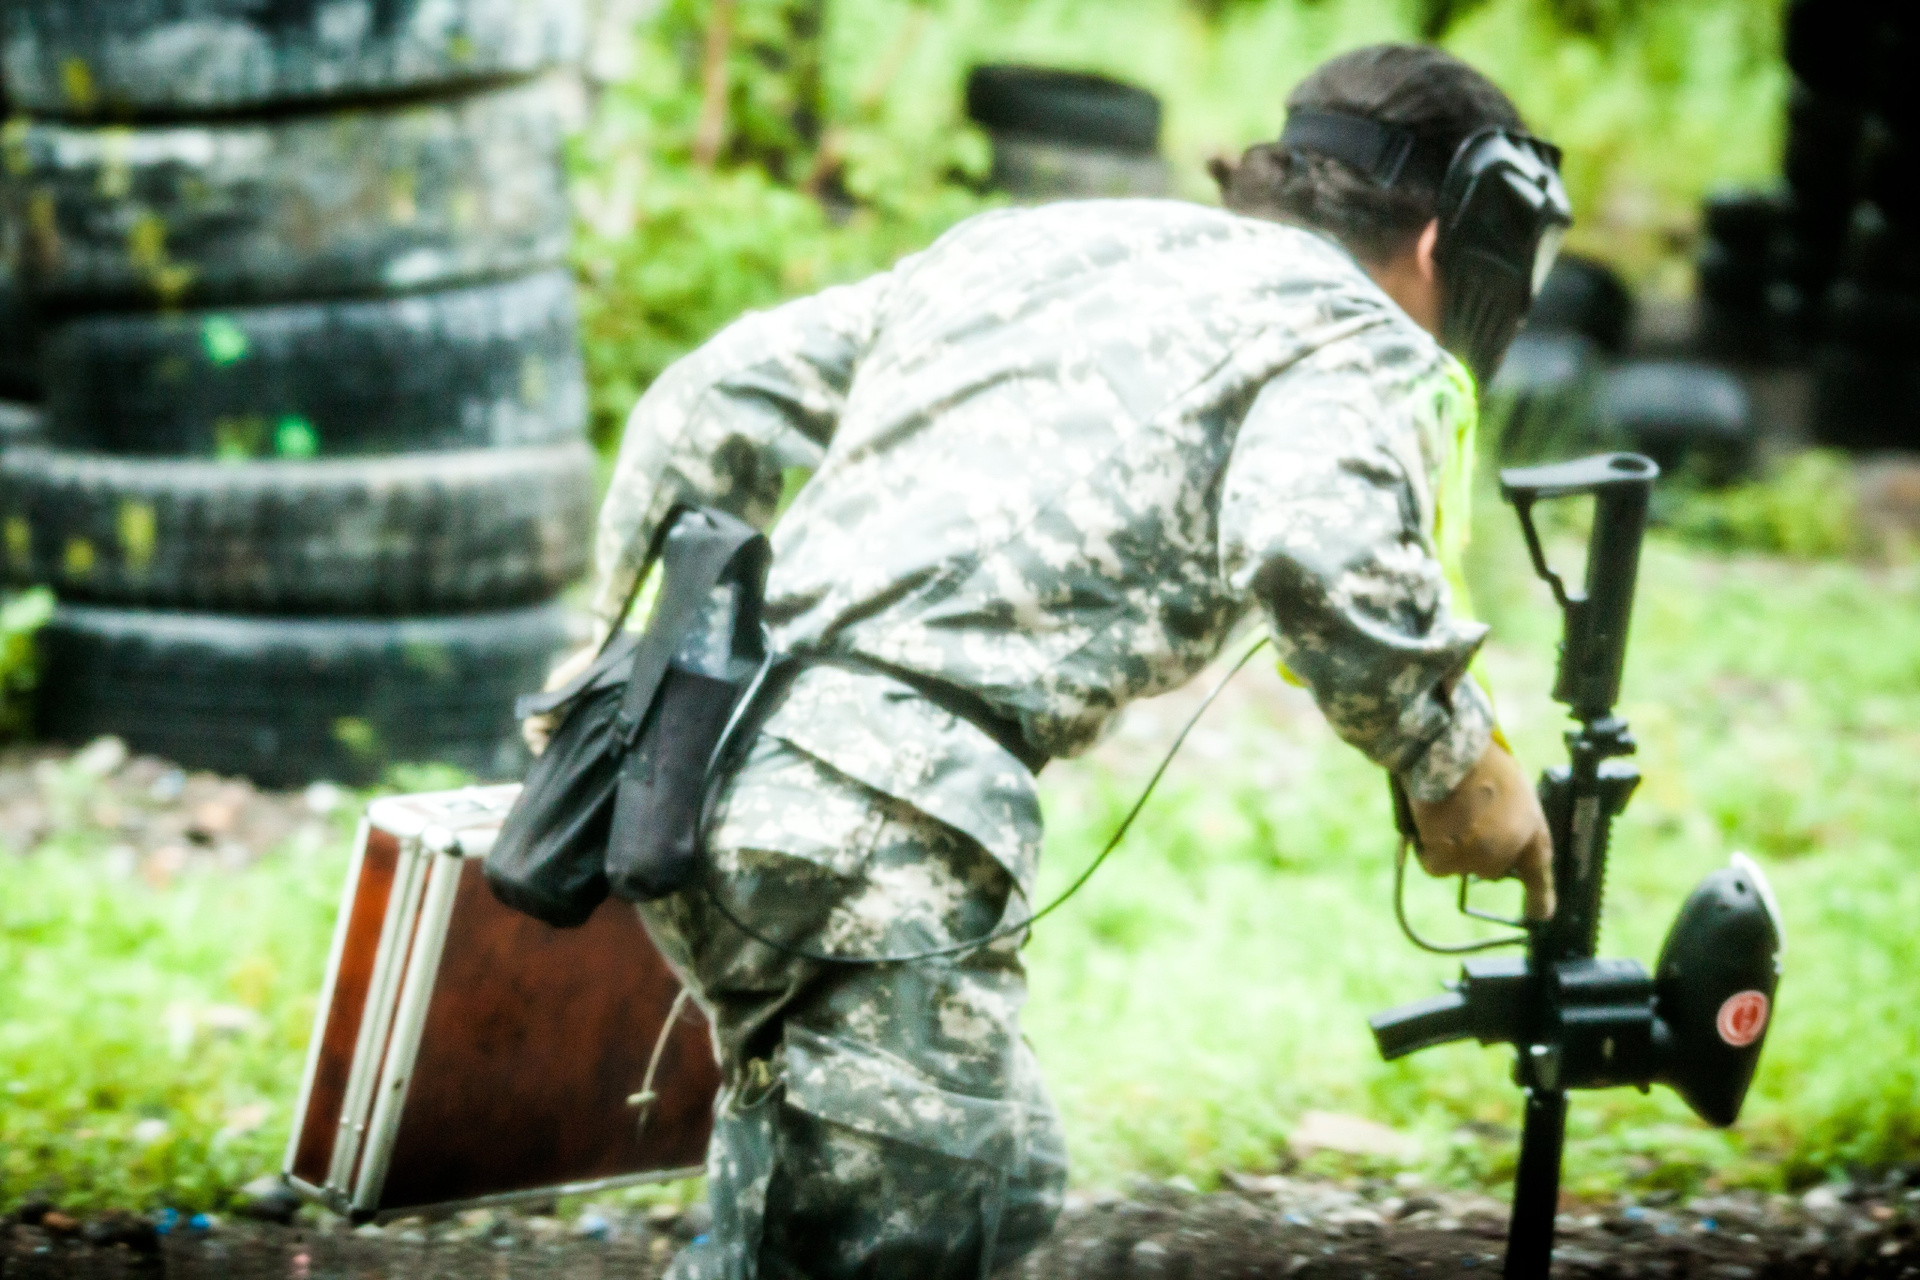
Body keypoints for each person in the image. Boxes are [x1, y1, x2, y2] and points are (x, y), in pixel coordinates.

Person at [540, 41, 1562, 1280]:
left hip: (709, 787)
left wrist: (615, 670)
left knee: (1002, 1179)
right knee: (885, 1243)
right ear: (1449, 246)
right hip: (879, 831)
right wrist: (1450, 761)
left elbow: (708, 399)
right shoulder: (1358, 333)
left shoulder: (1032, 247)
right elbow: (1312, 539)